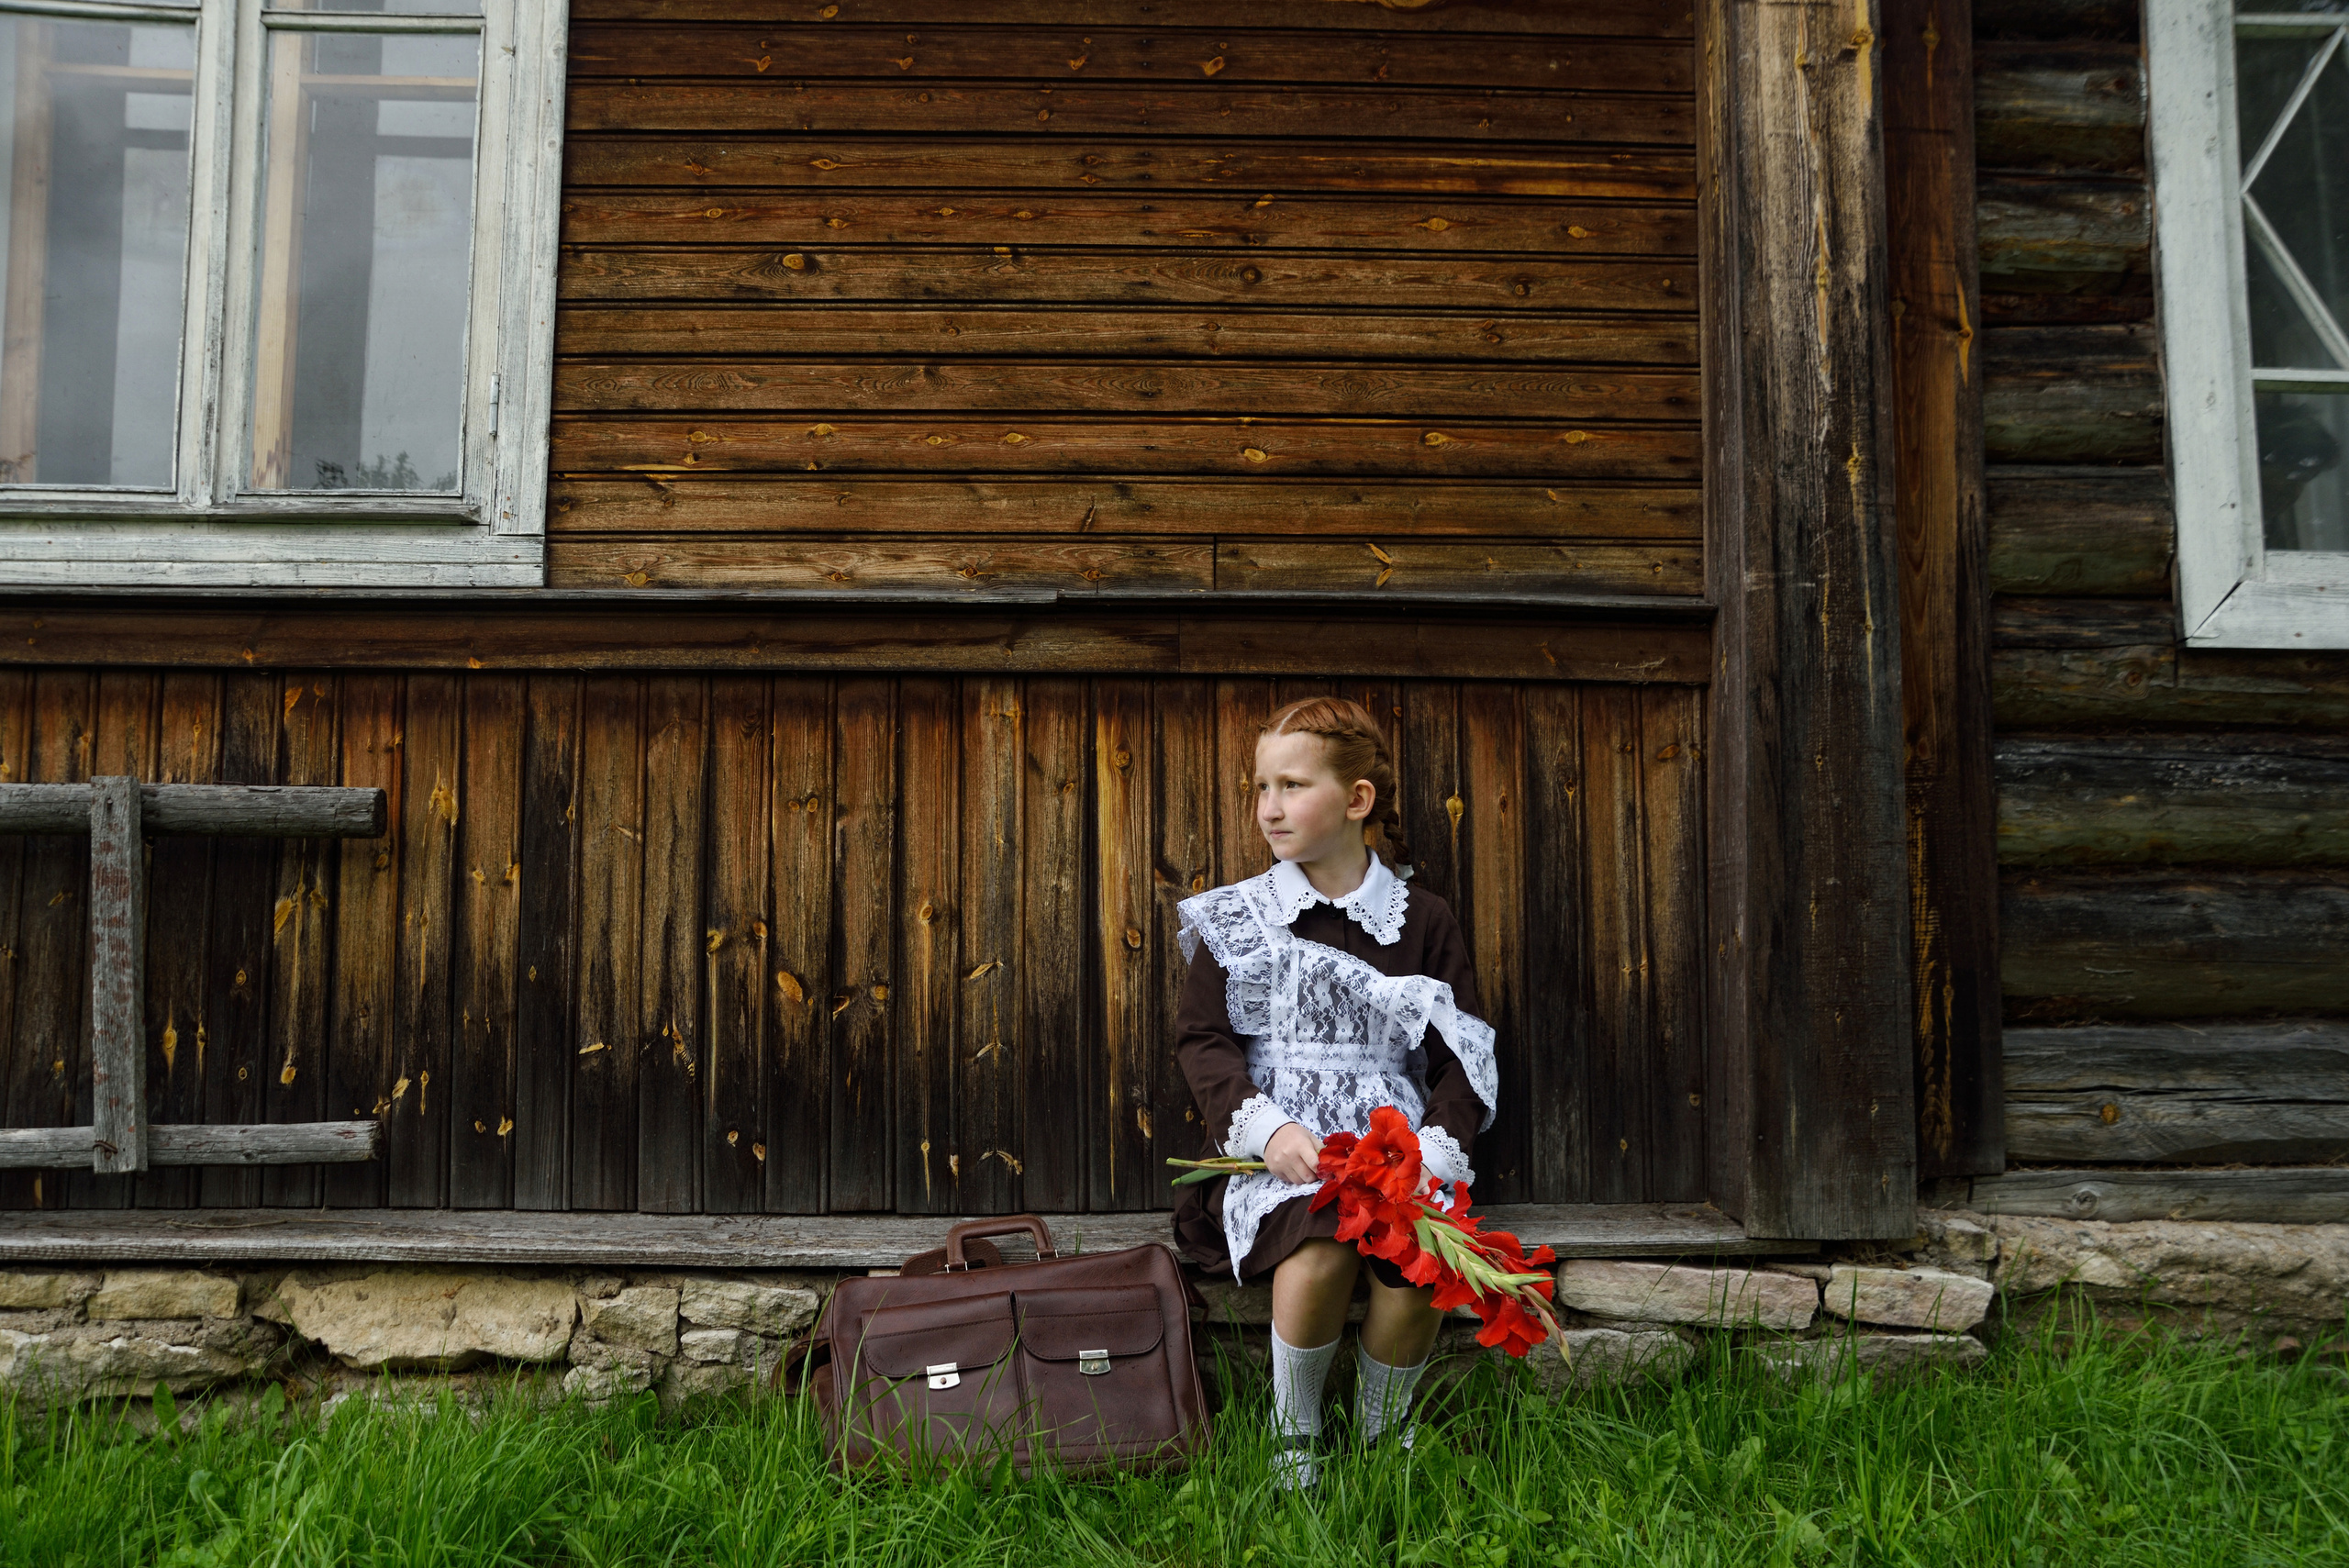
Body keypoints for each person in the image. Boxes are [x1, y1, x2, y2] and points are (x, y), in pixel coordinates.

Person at [1171, 696, 1497, 1491]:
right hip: (1281, 1156)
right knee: (1320, 1240)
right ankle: (1296, 1437)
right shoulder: (1243, 920)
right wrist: (1267, 1128)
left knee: (1418, 1251)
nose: (1269, 807)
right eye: (1261, 786)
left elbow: (1464, 1052)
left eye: (1291, 784)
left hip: (1394, 1149)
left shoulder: (1422, 919)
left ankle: (1388, 1431)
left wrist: (1434, 1150)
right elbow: (1203, 1041)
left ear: (1358, 800)